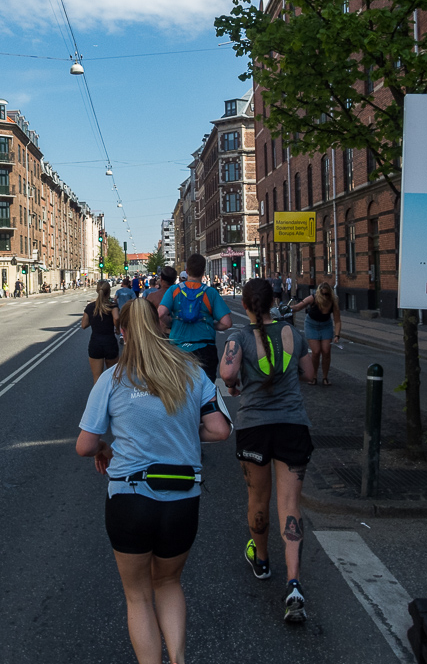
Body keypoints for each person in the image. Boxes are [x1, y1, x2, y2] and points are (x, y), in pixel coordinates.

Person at [76, 299, 231, 664]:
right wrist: (184, 435)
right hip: (182, 500)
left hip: (129, 500)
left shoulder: (112, 380)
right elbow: (221, 430)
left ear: (123, 332)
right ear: (162, 325)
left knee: (138, 595)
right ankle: (178, 660)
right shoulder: (192, 372)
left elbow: (84, 446)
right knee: (168, 583)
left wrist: (104, 446)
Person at [219, 278, 315, 623]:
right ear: (274, 301)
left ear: (245, 305)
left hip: (254, 428)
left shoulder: (238, 337)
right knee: (290, 505)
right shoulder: (293, 333)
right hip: (292, 426)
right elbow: (310, 373)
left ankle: (261, 561)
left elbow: (227, 372)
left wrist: (234, 385)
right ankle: (293, 583)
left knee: (257, 500)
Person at [159, 254, 233, 383]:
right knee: (207, 391)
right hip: (205, 348)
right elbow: (226, 323)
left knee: (180, 390)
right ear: (203, 272)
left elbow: (161, 313)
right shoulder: (210, 293)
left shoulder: (174, 290)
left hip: (178, 348)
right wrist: (211, 324)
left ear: (187, 271)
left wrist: (171, 323)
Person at [290, 283, 342, 385]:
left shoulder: (333, 301)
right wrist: (286, 309)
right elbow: (298, 307)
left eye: (327, 294)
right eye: (323, 294)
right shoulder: (313, 298)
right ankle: (313, 376)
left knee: (326, 350)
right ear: (319, 293)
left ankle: (325, 377)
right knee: (316, 351)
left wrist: (337, 335)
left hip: (326, 326)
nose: (325, 296)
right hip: (311, 325)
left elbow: (337, 320)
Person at [82, 280, 120, 383]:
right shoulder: (112, 306)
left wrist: (94, 320)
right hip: (109, 342)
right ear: (109, 291)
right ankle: (112, 398)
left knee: (97, 378)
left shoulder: (90, 307)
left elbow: (84, 325)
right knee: (113, 377)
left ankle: (98, 398)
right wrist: (117, 328)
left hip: (95, 343)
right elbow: (116, 318)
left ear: (97, 291)